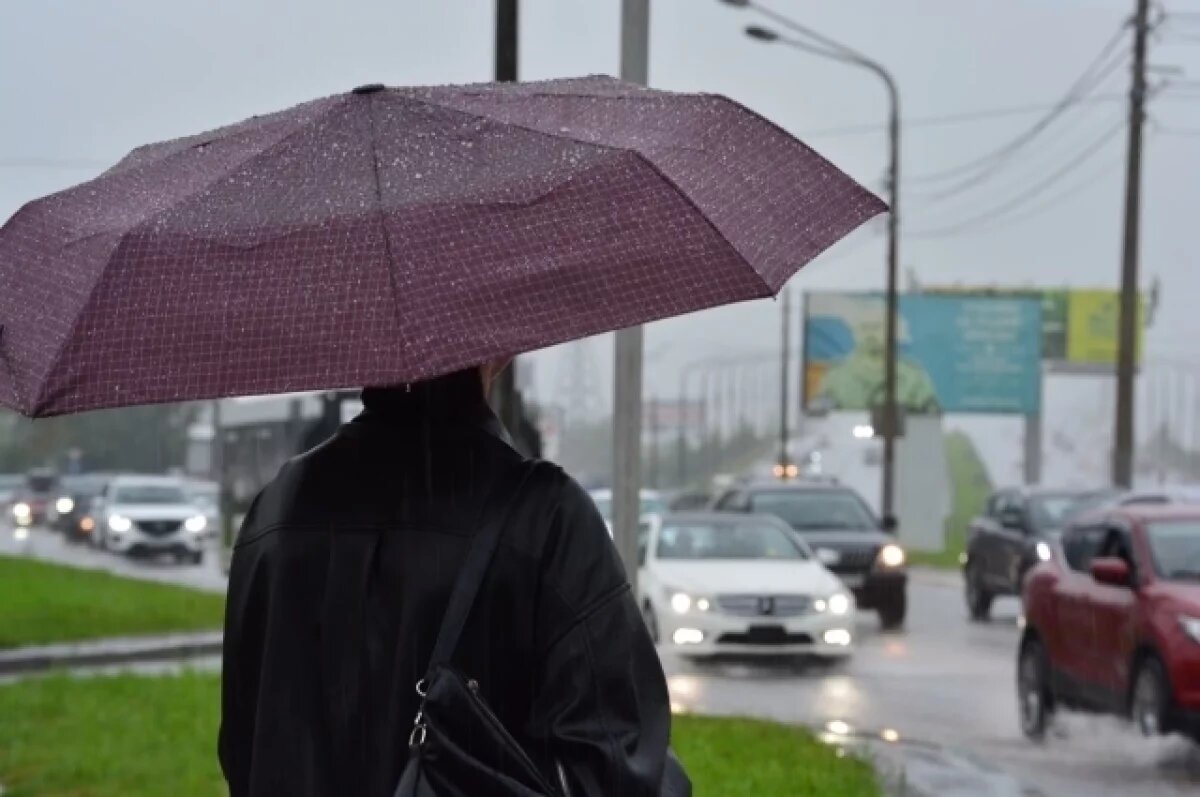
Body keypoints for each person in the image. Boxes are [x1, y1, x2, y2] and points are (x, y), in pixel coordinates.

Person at [219, 365, 671, 797]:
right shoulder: (547, 518)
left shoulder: (276, 511)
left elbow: (243, 744)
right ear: (501, 350)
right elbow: (613, 767)